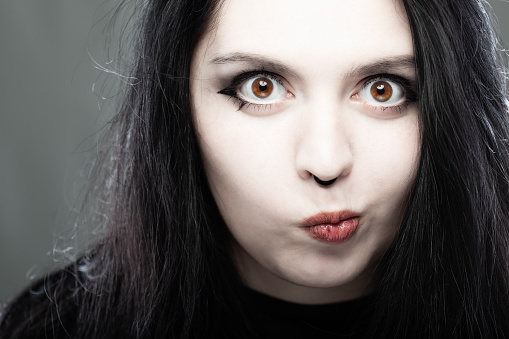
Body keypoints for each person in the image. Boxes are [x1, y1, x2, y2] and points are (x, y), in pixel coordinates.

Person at [1, 0, 509, 338]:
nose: (326, 163)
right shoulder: (57, 329)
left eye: (383, 89)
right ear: (177, 107)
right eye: (260, 87)